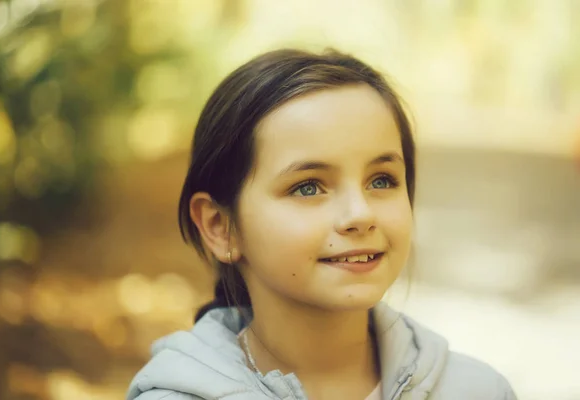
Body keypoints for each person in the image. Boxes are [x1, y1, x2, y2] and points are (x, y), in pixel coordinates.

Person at [126, 49, 517, 400]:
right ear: (220, 226)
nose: (360, 214)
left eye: (381, 180)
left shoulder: (479, 390)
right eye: (308, 187)